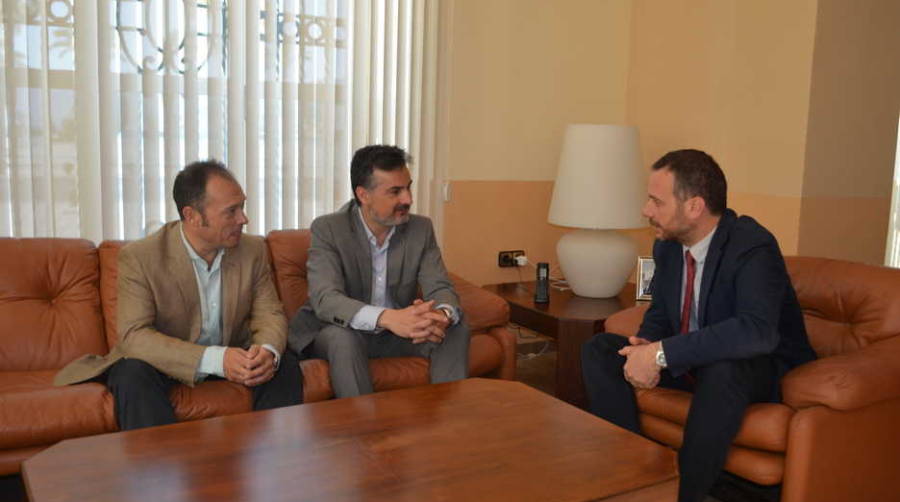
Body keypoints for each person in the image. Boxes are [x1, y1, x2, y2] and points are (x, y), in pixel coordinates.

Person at [581, 149, 816, 502]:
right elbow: (661, 312)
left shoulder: (753, 246)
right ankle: (632, 476)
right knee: (599, 350)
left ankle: (684, 495)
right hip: (696, 360)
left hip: (756, 369)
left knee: (724, 368)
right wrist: (644, 345)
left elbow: (756, 331)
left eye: (656, 201)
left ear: (694, 207)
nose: (646, 210)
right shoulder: (669, 247)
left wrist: (661, 354)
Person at [55, 160, 302, 429]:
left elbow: (270, 313)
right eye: (231, 211)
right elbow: (133, 336)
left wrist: (266, 352)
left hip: (236, 357)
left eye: (242, 206)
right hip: (169, 362)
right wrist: (216, 359)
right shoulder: (141, 257)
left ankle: (273, 462)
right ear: (192, 215)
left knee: (283, 365)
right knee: (131, 373)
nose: (244, 219)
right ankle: (157, 468)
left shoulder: (252, 249)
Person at [288, 145, 469, 398]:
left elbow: (440, 287)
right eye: (395, 191)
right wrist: (388, 318)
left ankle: (449, 424)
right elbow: (326, 299)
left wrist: (441, 315)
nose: (408, 199)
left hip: (398, 334)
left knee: (455, 326)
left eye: (408, 187)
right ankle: (365, 432)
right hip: (339, 330)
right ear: (363, 195)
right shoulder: (329, 229)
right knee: (344, 340)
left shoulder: (421, 229)